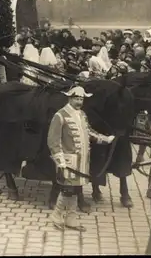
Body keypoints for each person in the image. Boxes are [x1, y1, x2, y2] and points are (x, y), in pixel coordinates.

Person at [47, 86, 115, 232]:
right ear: (69, 98)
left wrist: (106, 139)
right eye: (76, 98)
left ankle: (71, 218)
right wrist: (60, 161)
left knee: (76, 188)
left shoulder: (82, 114)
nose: (79, 101)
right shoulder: (60, 115)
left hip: (82, 162)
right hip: (68, 162)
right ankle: (56, 215)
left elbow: (89, 132)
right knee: (67, 190)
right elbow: (53, 141)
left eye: (81, 99)